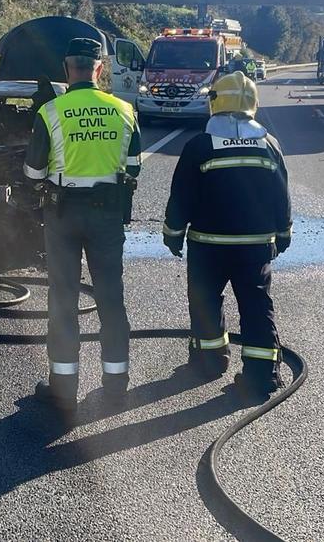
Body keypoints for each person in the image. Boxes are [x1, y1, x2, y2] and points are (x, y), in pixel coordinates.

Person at [23, 37, 141, 413]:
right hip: (107, 215)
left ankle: (63, 389)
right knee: (111, 299)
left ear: (66, 69)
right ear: (99, 68)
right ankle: (116, 386)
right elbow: (134, 166)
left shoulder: (51, 111)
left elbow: (33, 173)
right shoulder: (124, 110)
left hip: (63, 215)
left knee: (63, 300)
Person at [161, 71, 292, 398]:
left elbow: (181, 196)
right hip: (255, 247)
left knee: (205, 301)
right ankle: (262, 376)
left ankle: (210, 360)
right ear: (253, 103)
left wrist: (173, 234)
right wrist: (283, 233)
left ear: (215, 103)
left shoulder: (200, 146)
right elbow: (282, 195)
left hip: (208, 246)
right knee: (256, 306)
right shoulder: (269, 144)